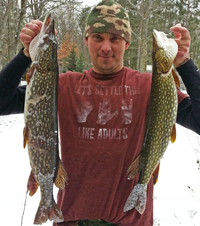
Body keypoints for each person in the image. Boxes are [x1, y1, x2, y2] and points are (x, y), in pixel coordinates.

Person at [0, 0, 200, 225]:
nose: (106, 46)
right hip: (71, 219)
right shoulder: (61, 86)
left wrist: (185, 64)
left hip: (129, 220)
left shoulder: (151, 86)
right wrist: (24, 56)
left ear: (126, 43)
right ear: (86, 41)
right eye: (98, 37)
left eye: (115, 38)